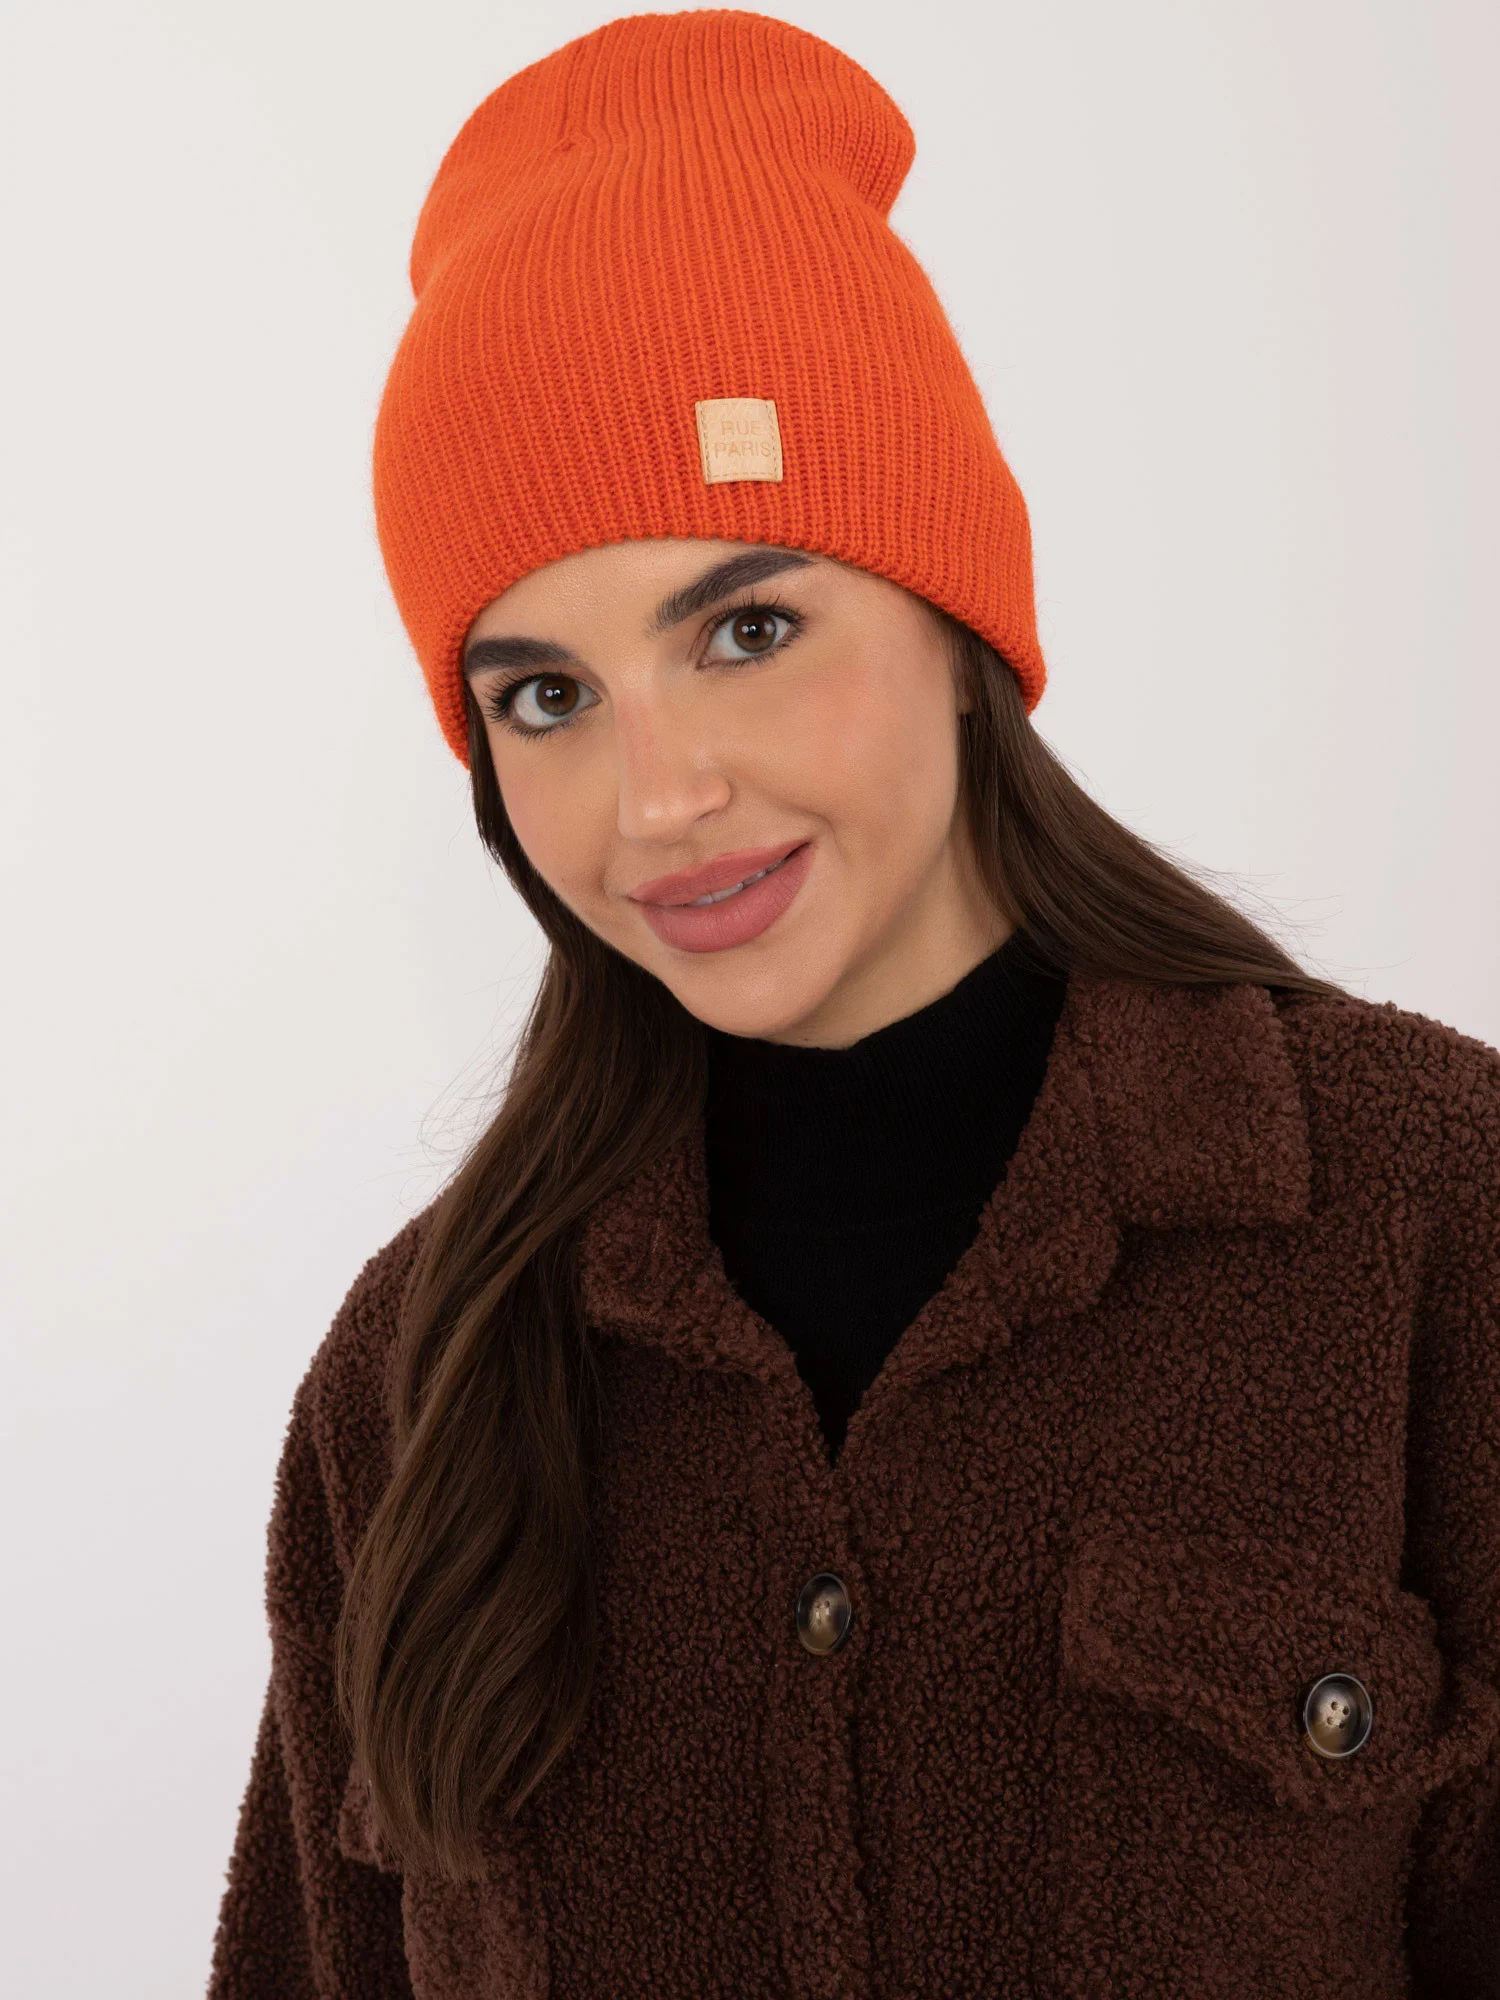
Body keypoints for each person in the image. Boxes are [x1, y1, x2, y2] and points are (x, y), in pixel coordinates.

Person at [206, 12, 1500, 1998]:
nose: (658, 798)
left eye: (748, 628)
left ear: (957, 613)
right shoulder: (413, 1379)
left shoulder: (1427, 1222)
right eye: (545, 694)